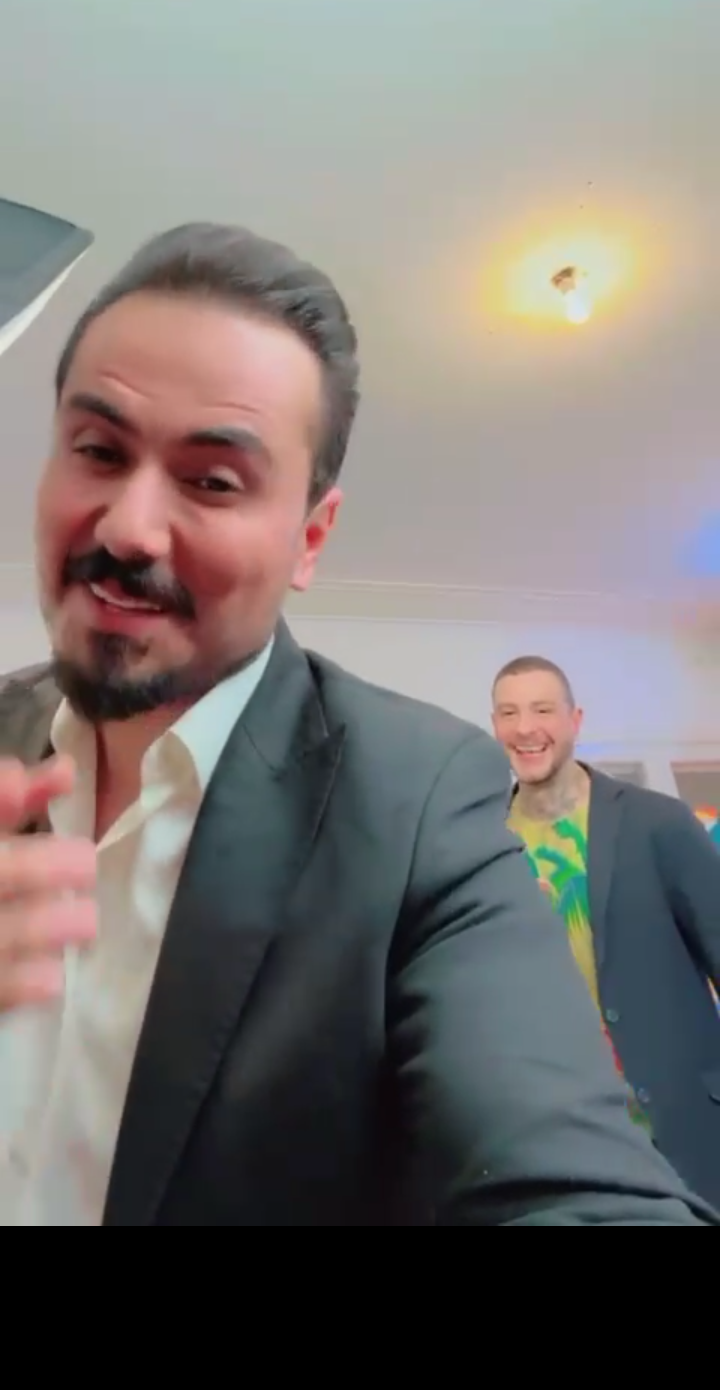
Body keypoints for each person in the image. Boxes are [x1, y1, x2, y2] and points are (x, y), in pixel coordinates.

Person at [0, 225, 713, 1228]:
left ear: (311, 538)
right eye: (98, 450)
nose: (127, 527)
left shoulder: (419, 801)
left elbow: (571, 1188)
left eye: (212, 481)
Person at [492, 653, 720, 1212]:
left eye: (542, 709)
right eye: (509, 713)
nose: (525, 727)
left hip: (687, 1125)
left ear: (575, 720)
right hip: (564, 1139)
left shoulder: (658, 821)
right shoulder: (484, 841)